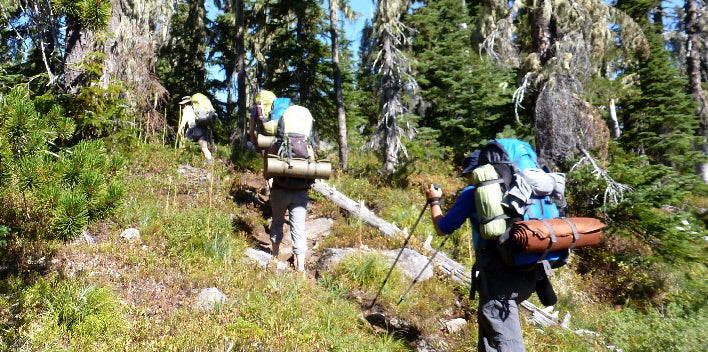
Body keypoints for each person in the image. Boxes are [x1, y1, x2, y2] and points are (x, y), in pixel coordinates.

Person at [425, 151, 537, 352]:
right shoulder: (517, 187)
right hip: (529, 267)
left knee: (502, 333)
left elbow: (443, 228)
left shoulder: (473, 192)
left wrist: (435, 202)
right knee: (491, 327)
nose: (469, 179)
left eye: (469, 174)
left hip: (497, 270)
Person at [268, 105, 315, 273]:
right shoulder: (307, 145)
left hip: (280, 190)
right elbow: (313, 169)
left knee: (277, 222)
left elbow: (268, 168)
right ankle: (300, 267)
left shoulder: (279, 143)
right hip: (300, 193)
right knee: (298, 228)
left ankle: (274, 255)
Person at [178, 94, 214, 164]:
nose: (182, 106)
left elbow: (184, 119)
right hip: (203, 129)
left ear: (185, 103)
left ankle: (180, 161)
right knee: (204, 148)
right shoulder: (197, 110)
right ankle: (210, 163)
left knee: (185, 144)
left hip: (193, 129)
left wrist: (180, 128)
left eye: (182, 104)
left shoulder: (187, 108)